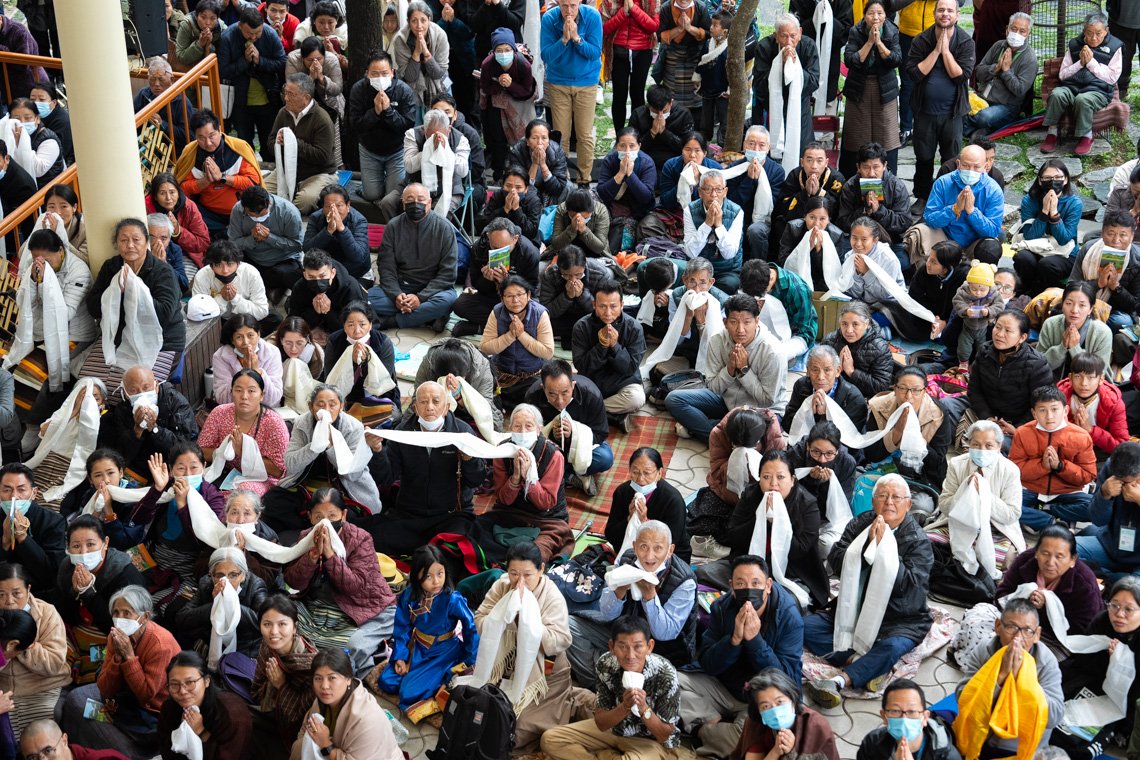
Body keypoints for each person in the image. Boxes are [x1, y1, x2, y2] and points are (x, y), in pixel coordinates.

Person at [803, 475, 934, 707]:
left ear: (908, 505)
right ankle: (865, 662)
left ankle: (839, 681)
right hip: (855, 609)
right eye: (882, 496)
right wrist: (866, 544)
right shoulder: (861, 523)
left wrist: (885, 551)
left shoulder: (918, 540)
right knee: (805, 627)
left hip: (899, 619)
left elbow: (910, 586)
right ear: (873, 502)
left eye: (896, 497)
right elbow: (835, 561)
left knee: (892, 647)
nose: (889, 502)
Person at [678, 557, 804, 758]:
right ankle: (715, 724)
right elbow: (708, 663)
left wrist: (755, 641)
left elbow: (785, 680)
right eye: (741, 584)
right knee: (670, 682)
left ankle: (701, 729)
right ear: (732, 587)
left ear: (768, 585)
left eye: (755, 583)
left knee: (745, 740)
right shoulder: (722, 607)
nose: (749, 590)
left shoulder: (788, 616)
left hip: (759, 699)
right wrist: (733, 640)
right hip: (723, 686)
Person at [542, 615, 694, 760]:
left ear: (649, 647)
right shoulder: (606, 664)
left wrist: (643, 708)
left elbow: (665, 735)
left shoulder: (665, 674)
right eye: (623, 647)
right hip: (614, 730)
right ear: (612, 647)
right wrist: (625, 707)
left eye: (638, 647)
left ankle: (605, 755)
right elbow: (601, 724)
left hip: (649, 741)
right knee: (551, 739)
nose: (630, 655)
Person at [568, 521, 697, 687]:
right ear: (635, 547)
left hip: (659, 649)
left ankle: (614, 673)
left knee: (660, 680)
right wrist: (619, 590)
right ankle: (599, 684)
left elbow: (665, 633)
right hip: (623, 630)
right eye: (643, 547)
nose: (649, 556)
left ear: (670, 550)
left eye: (658, 548)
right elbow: (607, 613)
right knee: (569, 626)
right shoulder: (627, 560)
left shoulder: (684, 581)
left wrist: (649, 595)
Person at [471, 542, 573, 750]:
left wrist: (528, 623)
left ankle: (571, 701)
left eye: (528, 575)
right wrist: (502, 615)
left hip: (545, 677)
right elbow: (480, 618)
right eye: (514, 574)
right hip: (506, 666)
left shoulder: (552, 596)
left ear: (541, 570)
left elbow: (561, 639)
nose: (520, 582)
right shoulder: (501, 586)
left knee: (514, 727)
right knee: (479, 712)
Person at [60, 586, 181, 760]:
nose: (120, 619)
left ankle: (131, 750)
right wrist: (117, 658)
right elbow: (105, 688)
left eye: (127, 613)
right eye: (116, 613)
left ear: (145, 617)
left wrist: (129, 657)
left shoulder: (160, 644)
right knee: (76, 700)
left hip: (152, 712)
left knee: (93, 717)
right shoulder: (115, 636)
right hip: (124, 699)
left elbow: (146, 695)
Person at [366, 381, 486, 555]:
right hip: (410, 515)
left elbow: (477, 480)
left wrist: (468, 458)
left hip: (450, 515)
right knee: (374, 539)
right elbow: (386, 478)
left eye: (436, 401)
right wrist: (378, 451)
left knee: (454, 548)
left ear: (446, 408)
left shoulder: (462, 432)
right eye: (423, 402)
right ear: (415, 408)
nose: (430, 407)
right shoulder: (403, 433)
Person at [283, 489, 395, 674]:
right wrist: (310, 558)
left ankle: (341, 672)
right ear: (310, 517)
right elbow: (294, 582)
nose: (325, 522)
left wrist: (329, 555)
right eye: (319, 517)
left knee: (353, 646)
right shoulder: (306, 536)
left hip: (357, 606)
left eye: (332, 516)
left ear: (343, 515)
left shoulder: (360, 539)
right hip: (318, 605)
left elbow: (354, 586)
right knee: (281, 621)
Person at [665, 294, 787, 443]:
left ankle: (715, 432)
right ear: (725, 322)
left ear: (757, 321)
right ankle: (722, 435)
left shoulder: (773, 352)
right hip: (727, 402)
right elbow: (713, 387)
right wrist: (729, 369)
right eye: (734, 322)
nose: (740, 329)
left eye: (747, 322)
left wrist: (744, 370)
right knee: (673, 399)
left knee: (753, 437)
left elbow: (767, 400)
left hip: (761, 412)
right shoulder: (717, 340)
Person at [376, 545, 478, 712]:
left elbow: (470, 628)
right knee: (386, 682)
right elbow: (402, 627)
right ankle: (422, 678)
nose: (436, 581)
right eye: (428, 576)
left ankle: (446, 676)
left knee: (408, 694)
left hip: (443, 652)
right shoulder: (410, 594)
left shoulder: (452, 599)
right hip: (417, 647)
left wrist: (468, 660)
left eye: (440, 574)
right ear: (417, 576)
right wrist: (400, 656)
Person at [728, 451, 829, 608]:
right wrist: (761, 518)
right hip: (748, 568)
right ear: (759, 479)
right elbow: (733, 537)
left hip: (791, 573)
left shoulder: (807, 505)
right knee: (705, 573)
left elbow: (800, 551)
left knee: (779, 603)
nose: (773, 484)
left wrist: (777, 523)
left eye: (780, 477)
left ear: (792, 480)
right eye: (766, 477)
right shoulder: (751, 495)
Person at [269, 386, 382, 525]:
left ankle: (312, 523)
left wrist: (330, 446)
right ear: (311, 407)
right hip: (306, 487)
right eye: (320, 405)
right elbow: (291, 464)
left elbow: (353, 475)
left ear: (341, 406)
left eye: (332, 405)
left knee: (349, 517)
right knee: (272, 501)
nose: (326, 410)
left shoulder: (353, 427)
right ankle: (314, 524)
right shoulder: (302, 423)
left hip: (343, 490)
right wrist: (314, 447)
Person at [476, 404, 571, 563]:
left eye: (529, 426)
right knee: (476, 533)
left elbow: (546, 502)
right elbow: (503, 499)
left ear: (539, 429)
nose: (523, 432)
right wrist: (515, 478)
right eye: (517, 426)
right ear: (510, 428)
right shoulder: (502, 450)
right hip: (509, 513)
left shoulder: (553, 455)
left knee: (533, 556)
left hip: (546, 520)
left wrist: (529, 478)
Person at [926, 418, 1025, 572]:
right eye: (976, 445)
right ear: (969, 444)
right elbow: (944, 504)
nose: (982, 450)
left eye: (989, 445)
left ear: (999, 446)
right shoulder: (957, 464)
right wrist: (964, 492)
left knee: (1007, 559)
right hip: (957, 524)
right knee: (927, 543)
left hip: (996, 528)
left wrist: (984, 494)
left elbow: (1012, 514)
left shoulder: (1010, 470)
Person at [85, 216, 187, 359]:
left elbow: (164, 314)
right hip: (121, 339)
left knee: (137, 375)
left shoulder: (162, 271)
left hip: (163, 342)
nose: (130, 245)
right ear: (116, 243)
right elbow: (93, 308)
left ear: (146, 242)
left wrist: (133, 291)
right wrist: (115, 292)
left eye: (136, 239)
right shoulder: (111, 266)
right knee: (91, 373)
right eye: (124, 240)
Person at [905, 0, 975, 208]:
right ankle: (922, 196)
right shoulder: (921, 40)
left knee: (951, 159)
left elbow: (961, 76)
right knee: (923, 157)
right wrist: (936, 50)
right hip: (924, 111)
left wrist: (946, 52)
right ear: (934, 13)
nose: (945, 14)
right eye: (941, 10)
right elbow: (914, 74)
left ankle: (948, 198)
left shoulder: (965, 42)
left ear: (957, 15)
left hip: (952, 113)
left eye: (950, 10)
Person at [1058, 577, 1140, 751]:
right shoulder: (1102, 621)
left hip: (1130, 697)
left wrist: (1122, 666)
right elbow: (1083, 662)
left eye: (1129, 609)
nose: (1119, 614)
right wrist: (1110, 660)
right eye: (1114, 605)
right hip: (1097, 681)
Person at [996, 525, 1104, 653]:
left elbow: (1084, 630)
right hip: (1016, 625)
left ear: (1072, 560)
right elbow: (1001, 596)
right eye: (1045, 553)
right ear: (1036, 552)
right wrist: (1025, 600)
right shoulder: (1025, 561)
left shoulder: (1084, 583)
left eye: (1059, 556)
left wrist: (1045, 609)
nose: (1050, 562)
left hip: (1060, 640)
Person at [370, 183, 458, 331]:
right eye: (410, 199)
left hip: (433, 290)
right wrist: (396, 295)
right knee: (364, 300)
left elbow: (448, 274)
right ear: (403, 203)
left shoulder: (444, 228)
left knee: (449, 302)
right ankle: (427, 317)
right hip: (402, 287)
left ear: (429, 202)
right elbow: (386, 267)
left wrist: (420, 298)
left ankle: (392, 321)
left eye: (421, 199)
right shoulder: (393, 226)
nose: (415, 203)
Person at [288, 648, 402, 760]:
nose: (324, 686)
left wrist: (324, 743)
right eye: (318, 678)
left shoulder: (366, 719)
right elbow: (304, 731)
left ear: (348, 679)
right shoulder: (321, 702)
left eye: (332, 678)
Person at [1012, 385, 1098, 531]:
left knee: (1095, 507)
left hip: (1067, 492)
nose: (1049, 416)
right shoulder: (1022, 433)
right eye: (1042, 410)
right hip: (1031, 490)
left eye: (1054, 409)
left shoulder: (1081, 436)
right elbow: (1014, 470)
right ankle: (1053, 522)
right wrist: (1042, 466)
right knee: (1001, 504)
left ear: (1065, 410)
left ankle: (1043, 513)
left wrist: (1060, 466)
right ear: (1034, 413)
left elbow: (1088, 476)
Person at [965, 310, 1054, 447]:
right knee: (946, 406)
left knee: (993, 446)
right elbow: (974, 389)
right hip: (985, 413)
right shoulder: (984, 351)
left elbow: (1040, 405)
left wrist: (1017, 428)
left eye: (1008, 330)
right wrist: (987, 417)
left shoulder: (1037, 364)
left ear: (1022, 337)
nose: (1000, 334)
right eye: (998, 327)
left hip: (1015, 424)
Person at [524, 360, 614, 494]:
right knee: (526, 460)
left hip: (583, 448)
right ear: (543, 388)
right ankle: (572, 477)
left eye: (565, 393)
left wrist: (574, 434)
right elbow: (529, 436)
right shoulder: (533, 397)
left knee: (605, 458)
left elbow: (600, 434)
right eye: (552, 394)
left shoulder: (591, 394)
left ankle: (562, 474)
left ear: (573, 385)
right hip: (551, 450)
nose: (559, 401)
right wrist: (551, 435)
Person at [1041, 12, 1123, 157]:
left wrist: (1091, 63)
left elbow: (1111, 78)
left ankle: (1086, 136)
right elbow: (1063, 75)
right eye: (1089, 33)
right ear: (1084, 31)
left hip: (1099, 90)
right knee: (1057, 94)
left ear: (1106, 31)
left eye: (1098, 33)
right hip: (1072, 86)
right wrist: (1080, 63)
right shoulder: (1074, 44)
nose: (1093, 38)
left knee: (1083, 99)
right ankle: (1052, 132)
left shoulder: (1115, 47)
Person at [198, 369, 289, 497]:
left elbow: (278, 471)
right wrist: (224, 451)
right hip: (224, 470)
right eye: (238, 390)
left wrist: (244, 453)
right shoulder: (219, 413)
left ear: (262, 395)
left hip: (261, 479)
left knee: (242, 494)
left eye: (251, 391)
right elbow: (201, 451)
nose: (244, 396)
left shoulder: (274, 423)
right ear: (231, 392)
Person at [540, 0, 603, 185]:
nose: (569, 11)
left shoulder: (592, 16)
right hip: (558, 82)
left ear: (580, 3)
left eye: (573, 6)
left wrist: (577, 38)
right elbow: (546, 55)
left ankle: (584, 179)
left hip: (586, 82)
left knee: (584, 135)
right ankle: (563, 178)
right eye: (564, 6)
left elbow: (595, 52)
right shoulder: (549, 18)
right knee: (561, 135)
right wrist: (564, 40)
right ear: (558, 3)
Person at [54, 515, 147, 639]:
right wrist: (75, 593)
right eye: (76, 546)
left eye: (90, 544)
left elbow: (120, 628)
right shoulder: (67, 566)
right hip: (76, 628)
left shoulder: (125, 576)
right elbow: (62, 611)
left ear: (105, 543)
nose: (83, 552)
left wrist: (88, 592)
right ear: (69, 548)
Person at [0, 563, 66, 736]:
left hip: (43, 688)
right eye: (1, 595)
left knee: (42, 735)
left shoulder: (47, 613)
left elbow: (54, 663)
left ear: (28, 590)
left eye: (16, 593)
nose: (9, 601)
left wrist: (23, 645)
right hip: (4, 692)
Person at [97, 366, 198, 478]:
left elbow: (183, 447)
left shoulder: (174, 401)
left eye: (146, 388)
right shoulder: (123, 410)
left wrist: (155, 428)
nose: (141, 394)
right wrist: (137, 430)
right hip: (139, 470)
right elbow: (121, 454)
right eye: (133, 390)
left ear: (156, 386)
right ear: (125, 393)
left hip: (172, 465)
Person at [912, 145, 1003, 267]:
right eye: (966, 165)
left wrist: (972, 211)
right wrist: (954, 209)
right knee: (918, 233)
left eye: (976, 167)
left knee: (991, 246)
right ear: (958, 164)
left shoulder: (993, 190)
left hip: (974, 242)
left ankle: (978, 276)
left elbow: (993, 231)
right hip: (944, 238)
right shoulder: (943, 182)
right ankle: (926, 271)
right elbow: (929, 218)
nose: (970, 171)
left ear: (985, 167)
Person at [175, 110, 263, 234]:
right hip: (207, 214)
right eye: (201, 138)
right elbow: (181, 189)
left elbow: (253, 182)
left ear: (220, 130)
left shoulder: (238, 148)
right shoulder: (190, 153)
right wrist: (205, 181)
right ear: (195, 136)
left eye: (212, 136)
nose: (208, 143)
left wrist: (223, 177)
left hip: (241, 210)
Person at [839, 3, 902, 177]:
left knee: (887, 136)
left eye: (879, 13)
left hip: (884, 89)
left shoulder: (892, 31)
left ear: (885, 15)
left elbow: (896, 60)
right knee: (856, 136)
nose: (875, 18)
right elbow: (850, 60)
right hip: (859, 88)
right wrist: (869, 42)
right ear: (864, 15)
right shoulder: (856, 31)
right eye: (871, 13)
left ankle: (888, 179)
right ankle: (852, 179)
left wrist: (879, 43)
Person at [218, 7, 287, 164]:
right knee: (245, 144)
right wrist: (244, 61)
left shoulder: (269, 34)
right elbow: (223, 70)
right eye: (249, 34)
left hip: (267, 98)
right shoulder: (228, 37)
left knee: (269, 144)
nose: (254, 37)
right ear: (240, 26)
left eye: (258, 33)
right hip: (240, 101)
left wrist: (260, 60)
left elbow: (282, 62)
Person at [250, 595, 317, 756]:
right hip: (268, 711)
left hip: (296, 731)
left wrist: (281, 685)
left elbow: (304, 715)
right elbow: (256, 690)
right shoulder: (267, 646)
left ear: (294, 627)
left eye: (282, 624)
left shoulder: (311, 665)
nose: (274, 632)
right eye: (267, 624)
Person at [752, 14, 820, 173]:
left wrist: (796, 67)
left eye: (793, 36)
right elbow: (760, 85)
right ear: (776, 36)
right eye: (784, 36)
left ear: (800, 33)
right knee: (771, 154)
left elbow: (814, 81)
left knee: (800, 151)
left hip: (799, 109)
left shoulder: (808, 46)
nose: (789, 42)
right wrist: (780, 64)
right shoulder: (764, 47)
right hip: (771, 109)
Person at [572, 282, 646, 424]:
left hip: (622, 382)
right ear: (594, 305)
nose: (608, 313)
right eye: (602, 306)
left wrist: (614, 346)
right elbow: (582, 366)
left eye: (613, 306)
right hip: (593, 382)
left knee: (636, 398)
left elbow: (630, 368)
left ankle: (591, 412)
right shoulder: (581, 327)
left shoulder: (634, 328)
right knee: (563, 393)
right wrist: (601, 346)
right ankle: (614, 417)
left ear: (622, 305)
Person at [157, 651, 252, 760]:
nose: (182, 691)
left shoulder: (232, 712)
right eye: (174, 684)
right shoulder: (169, 707)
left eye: (190, 682)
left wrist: (202, 732)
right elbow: (165, 749)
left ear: (206, 681)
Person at [347, 53, 415, 205]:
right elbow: (355, 125)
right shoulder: (358, 89)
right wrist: (375, 113)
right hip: (369, 149)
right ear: (367, 73)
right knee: (372, 195)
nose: (380, 78)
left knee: (392, 197)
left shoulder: (404, 90)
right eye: (375, 74)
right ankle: (369, 187)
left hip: (396, 150)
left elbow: (407, 126)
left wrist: (389, 111)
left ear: (392, 72)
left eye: (384, 73)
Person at [263, 74, 336, 214]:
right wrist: (278, 143)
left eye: (291, 94)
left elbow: (322, 156)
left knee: (305, 201)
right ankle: (281, 209)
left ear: (306, 98)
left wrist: (293, 144)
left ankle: (283, 213)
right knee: (262, 192)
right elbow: (270, 142)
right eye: (285, 93)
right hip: (286, 169)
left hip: (317, 172)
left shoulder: (322, 119)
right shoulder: (283, 112)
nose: (286, 98)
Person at [1011, 159, 1085, 296]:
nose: (1052, 182)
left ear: (1065, 180)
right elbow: (1030, 236)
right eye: (1047, 178)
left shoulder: (1074, 203)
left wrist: (1054, 213)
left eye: (1057, 177)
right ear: (1040, 181)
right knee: (1022, 257)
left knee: (1047, 264)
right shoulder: (1029, 200)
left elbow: (1063, 239)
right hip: (1036, 247)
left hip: (1064, 253)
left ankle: (1042, 295)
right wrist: (1044, 212)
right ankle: (1023, 292)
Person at [456, 218, 541, 336]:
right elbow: (476, 284)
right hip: (491, 298)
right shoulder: (479, 248)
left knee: (534, 316)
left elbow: (531, 289)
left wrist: (506, 282)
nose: (500, 252)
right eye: (495, 248)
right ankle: (504, 328)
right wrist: (486, 279)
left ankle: (480, 328)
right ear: (488, 237)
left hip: (517, 300)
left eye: (505, 248)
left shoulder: (529, 252)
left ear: (515, 239)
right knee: (460, 305)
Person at [479, 276, 553, 408]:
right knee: (481, 387)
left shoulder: (540, 314)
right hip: (503, 373)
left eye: (520, 294)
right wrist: (510, 335)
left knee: (538, 395)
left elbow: (547, 352)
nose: (515, 300)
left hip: (532, 374)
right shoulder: (497, 312)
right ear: (502, 298)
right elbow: (485, 348)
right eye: (509, 296)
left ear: (528, 295)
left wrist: (521, 334)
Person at [731, 669, 838, 760]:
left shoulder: (815, 725)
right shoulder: (755, 722)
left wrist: (792, 752)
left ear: (793, 701)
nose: (775, 711)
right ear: (759, 710)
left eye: (780, 702)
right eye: (766, 706)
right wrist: (776, 751)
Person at [607, 448, 688, 563]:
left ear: (659, 473)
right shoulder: (622, 492)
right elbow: (610, 535)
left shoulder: (673, 500)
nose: (640, 479)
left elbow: (671, 542)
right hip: (631, 552)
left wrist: (645, 522)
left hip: (668, 557)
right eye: (635, 472)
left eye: (647, 473)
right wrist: (629, 519)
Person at [640, 131, 723, 241]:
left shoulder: (714, 169)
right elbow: (665, 201)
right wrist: (683, 182)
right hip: (674, 213)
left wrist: (697, 184)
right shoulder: (671, 165)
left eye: (697, 151)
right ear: (682, 151)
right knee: (648, 225)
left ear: (704, 153)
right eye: (687, 150)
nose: (692, 155)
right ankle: (673, 245)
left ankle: (674, 244)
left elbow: (717, 202)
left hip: (703, 215)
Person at [965, 12, 1036, 137]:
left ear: (1028, 34)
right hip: (983, 98)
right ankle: (980, 130)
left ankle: (969, 128)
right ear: (1007, 29)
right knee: (958, 105)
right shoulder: (998, 45)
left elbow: (1020, 90)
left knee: (983, 117)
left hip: (1006, 106)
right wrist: (995, 68)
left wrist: (1006, 71)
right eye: (1013, 29)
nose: (1017, 34)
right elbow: (979, 72)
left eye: (1022, 31)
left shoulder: (1029, 58)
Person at [0, 465, 65, 598]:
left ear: (34, 493)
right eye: (7, 490)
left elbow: (52, 573)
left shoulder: (52, 521)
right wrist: (5, 541)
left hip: (39, 594)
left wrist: (23, 538)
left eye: (21, 490)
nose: (14, 497)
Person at [1077, 442, 1140, 578]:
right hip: (1110, 546)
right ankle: (1110, 578)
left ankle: (1100, 576)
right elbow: (1098, 520)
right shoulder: (1111, 467)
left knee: (1134, 586)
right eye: (1121, 481)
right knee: (1061, 551)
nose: (1126, 486)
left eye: (1131, 481)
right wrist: (1104, 495)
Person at [411, 337, 500, 434]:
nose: (449, 383)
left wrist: (461, 398)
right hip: (440, 410)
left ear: (466, 373)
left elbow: (486, 412)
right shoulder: (428, 365)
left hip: (468, 412)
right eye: (444, 380)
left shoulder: (481, 369)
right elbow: (417, 400)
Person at [479, 27, 536, 175]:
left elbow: (527, 90)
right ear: (494, 52)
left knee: (522, 136)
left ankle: (523, 168)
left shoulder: (523, 65)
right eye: (499, 51)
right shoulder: (487, 64)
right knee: (497, 137)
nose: (503, 54)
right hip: (495, 102)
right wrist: (500, 84)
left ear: (513, 50)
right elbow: (485, 87)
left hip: (519, 102)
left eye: (507, 50)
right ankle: (498, 171)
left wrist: (511, 85)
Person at [855, 679, 961, 760]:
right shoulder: (871, 743)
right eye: (895, 711)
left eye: (912, 711)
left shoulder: (948, 756)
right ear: (884, 716)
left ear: (925, 717)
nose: (904, 719)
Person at [227, 185, 304, 295]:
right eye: (252, 216)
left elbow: (298, 245)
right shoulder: (238, 210)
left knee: (290, 274)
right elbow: (233, 243)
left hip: (282, 259)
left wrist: (269, 238)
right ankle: (268, 287)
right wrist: (252, 239)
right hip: (253, 257)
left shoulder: (289, 212)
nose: (257, 220)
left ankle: (266, 286)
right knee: (227, 264)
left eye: (261, 215)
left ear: (268, 203)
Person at [771, 142, 844, 257]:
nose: (814, 166)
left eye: (819, 161)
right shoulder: (795, 175)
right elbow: (782, 206)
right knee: (780, 224)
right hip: (799, 220)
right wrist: (804, 193)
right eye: (809, 160)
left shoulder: (836, 178)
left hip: (824, 223)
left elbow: (837, 208)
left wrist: (819, 192)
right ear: (802, 162)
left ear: (826, 162)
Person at [836, 143, 911, 254]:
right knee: (841, 256)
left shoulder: (896, 186)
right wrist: (864, 210)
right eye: (866, 167)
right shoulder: (850, 186)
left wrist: (879, 211)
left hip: (889, 241)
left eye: (876, 167)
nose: (871, 173)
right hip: (858, 241)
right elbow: (842, 222)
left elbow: (904, 222)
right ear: (858, 167)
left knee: (902, 261)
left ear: (884, 166)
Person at [1074, 211, 1140, 335]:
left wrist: (1116, 287)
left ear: (1131, 236)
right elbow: (1072, 285)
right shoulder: (1088, 249)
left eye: (1123, 235)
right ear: (1102, 233)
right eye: (1111, 233)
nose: (1116, 240)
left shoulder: (1137, 260)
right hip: (1084, 303)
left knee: (1122, 321)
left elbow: (1135, 306)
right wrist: (1098, 283)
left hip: (1116, 311)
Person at [784, 346, 866, 444]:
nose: (820, 377)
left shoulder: (853, 398)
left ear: (837, 371)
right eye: (815, 370)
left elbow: (850, 440)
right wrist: (807, 413)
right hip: (805, 445)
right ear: (808, 371)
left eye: (827, 370)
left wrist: (824, 416)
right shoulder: (801, 386)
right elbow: (787, 425)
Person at [539, 245, 615, 351]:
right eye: (566, 275)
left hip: (589, 317)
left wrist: (582, 294)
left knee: (605, 323)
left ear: (584, 266)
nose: (573, 280)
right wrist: (566, 297)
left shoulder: (600, 274)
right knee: (541, 323)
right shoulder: (551, 274)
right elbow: (546, 310)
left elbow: (604, 310)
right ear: (559, 268)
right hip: (563, 317)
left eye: (578, 275)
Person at [285, 36, 344, 166]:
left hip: (329, 104)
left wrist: (322, 78)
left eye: (319, 59)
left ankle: (336, 166)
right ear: (302, 58)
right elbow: (292, 90)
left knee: (333, 142)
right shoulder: (293, 59)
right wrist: (310, 78)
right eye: (310, 60)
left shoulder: (331, 60)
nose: (315, 63)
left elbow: (337, 89)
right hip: (302, 105)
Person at [601, 0, 659, 133]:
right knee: (619, 96)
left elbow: (653, 26)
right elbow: (604, 28)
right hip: (618, 51)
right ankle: (620, 136)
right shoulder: (609, 2)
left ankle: (636, 135)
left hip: (642, 50)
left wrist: (633, 8)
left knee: (638, 94)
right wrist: (623, 12)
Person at [681, 171, 744, 292]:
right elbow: (691, 252)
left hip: (726, 269)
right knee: (685, 281)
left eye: (718, 189)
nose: (714, 195)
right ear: (700, 192)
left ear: (725, 192)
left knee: (730, 284)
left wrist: (719, 225)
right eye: (708, 189)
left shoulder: (737, 212)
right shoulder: (689, 210)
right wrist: (707, 224)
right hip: (698, 268)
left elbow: (729, 253)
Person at [729, 126, 785, 260]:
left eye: (761, 145)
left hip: (764, 221)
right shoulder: (734, 168)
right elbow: (732, 202)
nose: (756, 149)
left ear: (768, 148)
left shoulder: (777, 171)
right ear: (744, 145)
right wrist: (748, 180)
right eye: (751, 144)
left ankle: (758, 267)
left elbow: (772, 204)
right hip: (738, 217)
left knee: (755, 230)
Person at [1037, 281, 1112, 379]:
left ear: (1090, 309)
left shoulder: (1103, 332)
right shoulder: (1050, 324)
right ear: (1062, 304)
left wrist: (1074, 347)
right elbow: (1039, 364)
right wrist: (1062, 347)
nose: (1074, 310)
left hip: (1088, 386)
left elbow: (1098, 374)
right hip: (1051, 383)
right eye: (1069, 303)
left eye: (1082, 305)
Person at [285, 249, 367, 339]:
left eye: (322, 276)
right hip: (312, 328)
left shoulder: (350, 287)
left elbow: (355, 327)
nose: (318, 282)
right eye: (311, 277)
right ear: (305, 275)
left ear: (333, 273)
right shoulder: (300, 287)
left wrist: (328, 312)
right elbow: (294, 320)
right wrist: (315, 312)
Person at [1061, 353, 1128, 459]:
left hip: (1098, 449)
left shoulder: (1113, 402)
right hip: (1066, 447)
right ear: (1070, 378)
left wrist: (1091, 430)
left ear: (1101, 379)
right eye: (1078, 376)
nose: (1084, 383)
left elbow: (1121, 445)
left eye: (1091, 377)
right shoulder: (1060, 397)